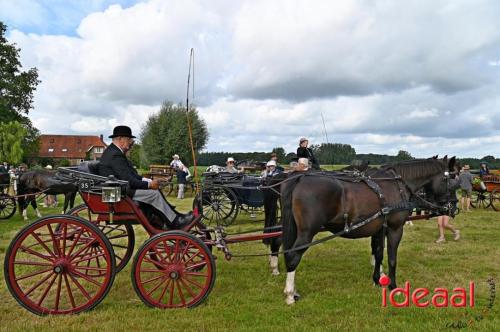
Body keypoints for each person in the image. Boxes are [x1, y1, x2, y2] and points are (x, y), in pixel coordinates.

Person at [97, 125, 193, 229]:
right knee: (153, 194)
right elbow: (128, 180)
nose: (130, 142)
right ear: (120, 139)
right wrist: (149, 184)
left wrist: (150, 181)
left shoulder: (115, 152)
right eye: (129, 139)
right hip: (120, 192)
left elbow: (132, 175)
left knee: (155, 190)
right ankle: (174, 222)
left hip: (122, 188)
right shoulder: (115, 155)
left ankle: (172, 218)